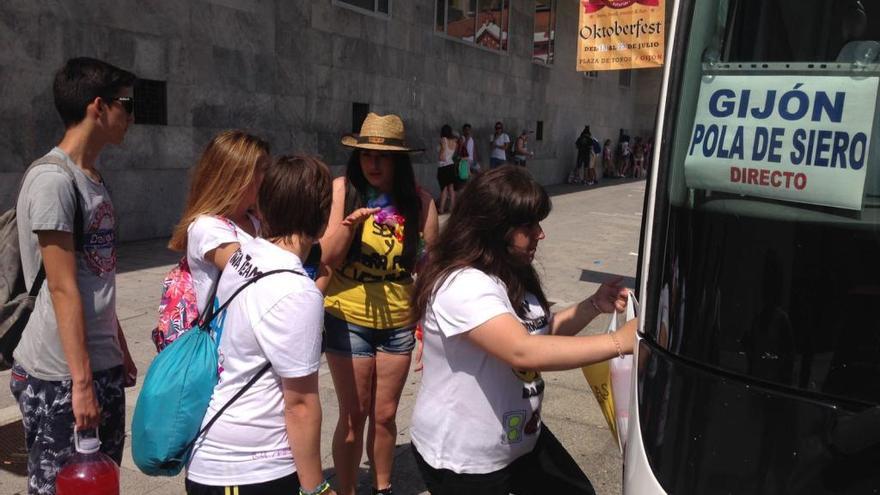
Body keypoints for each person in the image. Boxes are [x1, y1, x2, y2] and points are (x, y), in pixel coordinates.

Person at [409, 166, 638, 495]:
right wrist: (619, 341)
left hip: (518, 439)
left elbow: (538, 334)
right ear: (494, 226)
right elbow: (522, 350)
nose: (540, 234)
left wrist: (593, 305)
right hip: (469, 459)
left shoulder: (511, 271)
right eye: (528, 225)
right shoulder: (461, 284)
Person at [10, 57, 138, 494]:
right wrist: (81, 384)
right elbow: (62, 286)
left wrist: (117, 342)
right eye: (126, 104)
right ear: (97, 107)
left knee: (100, 483)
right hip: (59, 374)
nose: (132, 116)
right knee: (58, 486)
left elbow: (94, 274)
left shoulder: (93, 177)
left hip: (97, 364)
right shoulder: (54, 181)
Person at [186, 155, 335, 495]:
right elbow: (300, 404)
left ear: (264, 208)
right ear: (322, 221)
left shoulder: (243, 257)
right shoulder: (296, 290)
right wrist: (317, 488)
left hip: (210, 453)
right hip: (253, 466)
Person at [321, 113, 439, 495]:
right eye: (367, 154)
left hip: (398, 320)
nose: (373, 163)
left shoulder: (420, 203)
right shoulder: (342, 190)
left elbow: (429, 270)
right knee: (354, 416)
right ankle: (348, 490)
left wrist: (427, 326)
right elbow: (329, 258)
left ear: (399, 161)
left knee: (386, 415)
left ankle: (383, 487)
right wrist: (350, 225)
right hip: (347, 314)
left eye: (383, 156)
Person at [167, 130, 270, 319]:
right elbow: (252, 276)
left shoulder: (254, 221)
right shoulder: (208, 228)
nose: (271, 177)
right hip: (221, 344)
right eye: (264, 169)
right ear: (239, 176)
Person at [437, 124, 458, 214]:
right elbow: (451, 155)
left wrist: (439, 155)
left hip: (443, 166)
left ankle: (441, 209)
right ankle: (451, 208)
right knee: (451, 189)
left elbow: (442, 156)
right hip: (451, 165)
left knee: (444, 189)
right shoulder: (454, 141)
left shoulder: (443, 140)